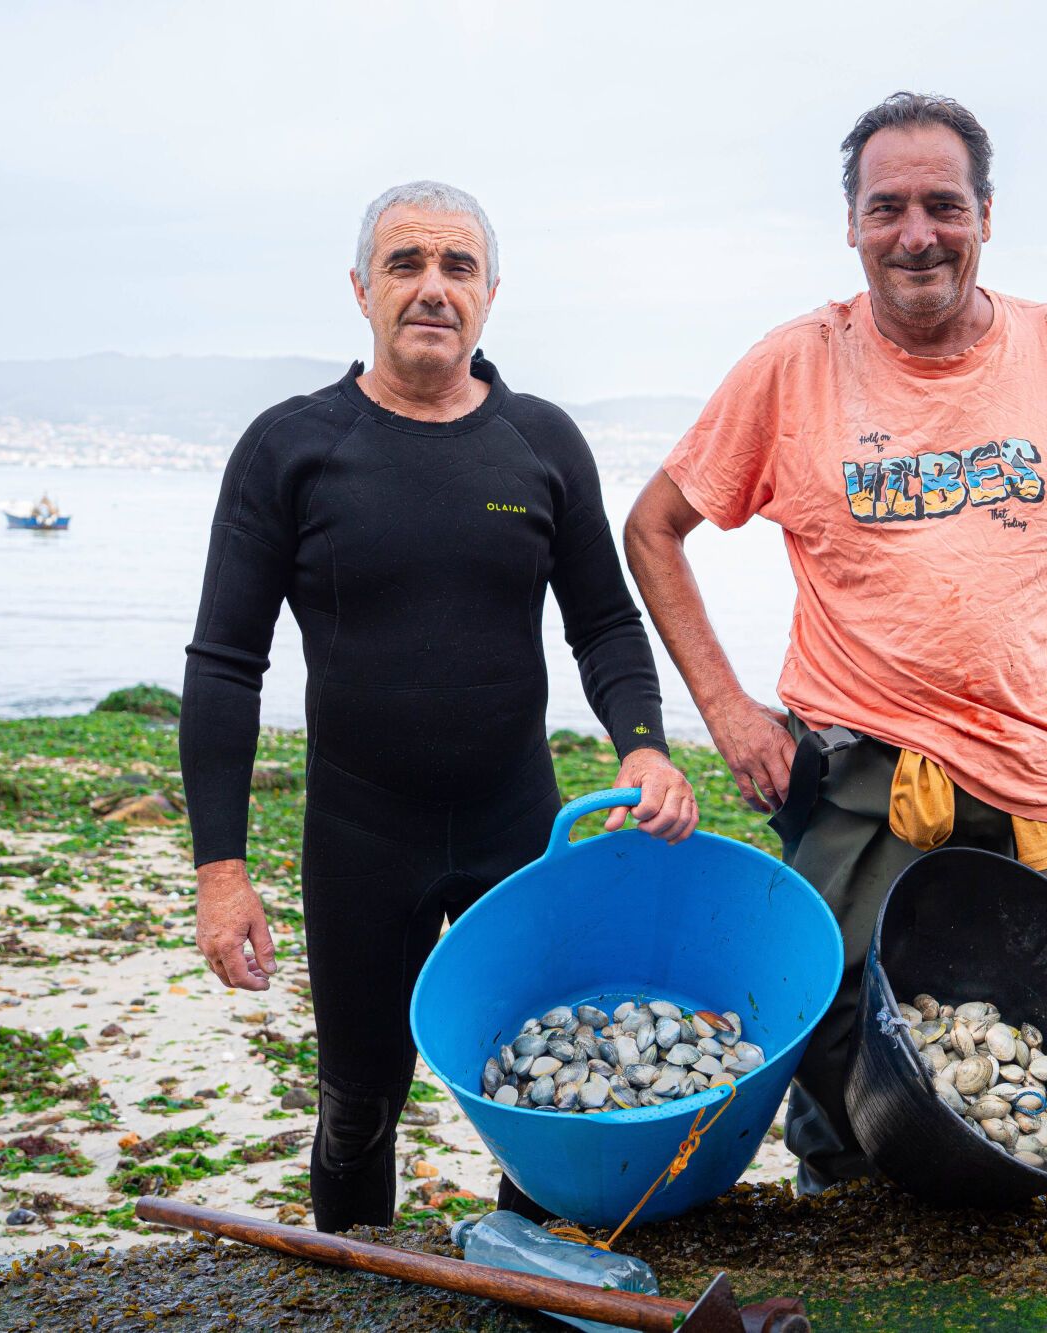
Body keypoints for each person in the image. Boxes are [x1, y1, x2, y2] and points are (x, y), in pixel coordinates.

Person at [624, 93, 1047, 1194]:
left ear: (985, 215)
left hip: (1039, 789)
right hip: (861, 777)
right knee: (835, 1031)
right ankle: (848, 1217)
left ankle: (990, 1232)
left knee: (1030, 1045)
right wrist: (730, 715)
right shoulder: (795, 363)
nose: (916, 234)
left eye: (943, 205)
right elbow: (653, 528)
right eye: (886, 207)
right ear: (850, 224)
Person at [181, 180, 697, 1232]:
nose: (432, 287)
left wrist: (643, 746)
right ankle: (354, 1287)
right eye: (405, 263)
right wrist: (220, 870)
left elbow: (603, 622)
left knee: (542, 1088)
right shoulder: (291, 446)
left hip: (517, 823)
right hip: (360, 836)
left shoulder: (540, 442)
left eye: (458, 266)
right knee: (358, 1106)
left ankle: (527, 1280)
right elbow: (226, 663)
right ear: (360, 288)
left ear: (490, 293)